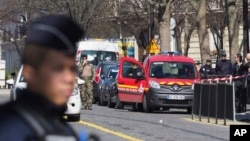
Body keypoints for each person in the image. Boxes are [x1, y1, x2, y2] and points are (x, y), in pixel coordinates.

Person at [0, 15, 85, 140]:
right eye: (58, 68)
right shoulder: (7, 128)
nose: (69, 78)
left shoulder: (61, 128)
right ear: (30, 73)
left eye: (72, 69)